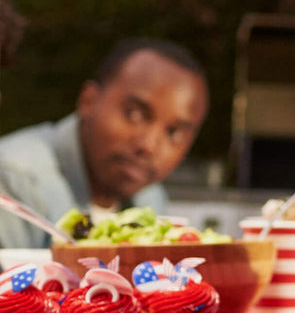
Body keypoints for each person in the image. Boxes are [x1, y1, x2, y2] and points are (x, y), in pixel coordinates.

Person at [0, 38, 209, 249]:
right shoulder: (14, 177)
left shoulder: (150, 198)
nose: (149, 145)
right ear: (88, 101)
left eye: (174, 133)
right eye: (135, 114)